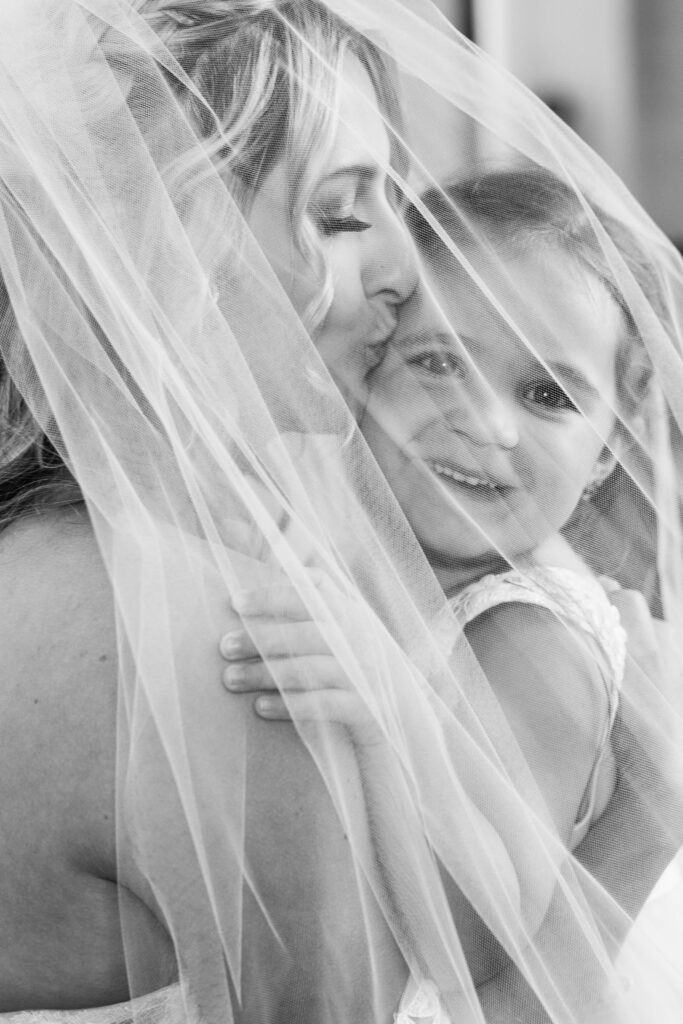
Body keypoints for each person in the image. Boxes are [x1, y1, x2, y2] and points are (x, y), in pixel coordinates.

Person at [1, 2, 683, 1024]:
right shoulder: (221, 646)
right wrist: (644, 812)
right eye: (340, 215)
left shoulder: (62, 549)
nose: (407, 274)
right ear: (156, 244)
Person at [218, 167, 682, 1019]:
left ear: (608, 452)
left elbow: (470, 937)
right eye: (437, 361)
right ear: (363, 370)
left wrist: (388, 714)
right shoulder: (325, 537)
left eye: (546, 394)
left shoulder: (536, 637)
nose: (486, 423)